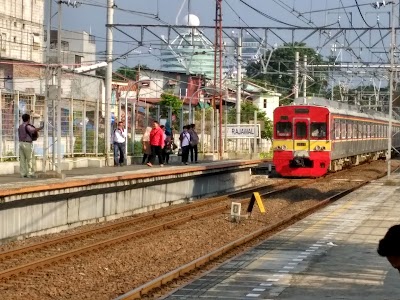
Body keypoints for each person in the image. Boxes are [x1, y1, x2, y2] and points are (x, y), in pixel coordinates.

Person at [18, 113, 42, 178]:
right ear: (28, 119)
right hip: (27, 144)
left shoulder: (20, 126)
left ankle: (23, 173)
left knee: (22, 159)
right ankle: (30, 173)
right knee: (30, 159)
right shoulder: (27, 126)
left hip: (21, 143)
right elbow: (33, 130)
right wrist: (40, 128)